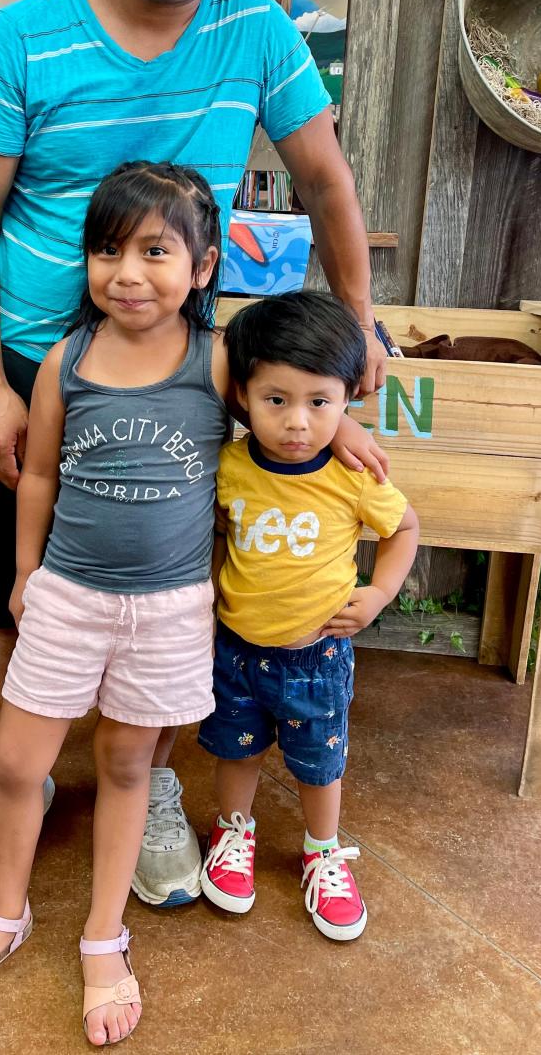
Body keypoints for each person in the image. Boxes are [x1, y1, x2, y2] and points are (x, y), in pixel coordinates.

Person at [0, 0, 389, 913]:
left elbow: (331, 188)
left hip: (189, 386)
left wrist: (354, 341)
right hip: (37, 378)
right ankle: (8, 783)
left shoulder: (259, 36)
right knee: (12, 587)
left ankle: (152, 784)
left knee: (176, 590)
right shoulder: (21, 41)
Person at [0, 163, 229, 1043]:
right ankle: (5, 915)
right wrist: (26, 570)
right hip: (66, 597)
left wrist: (349, 423)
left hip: (170, 610)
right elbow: (41, 475)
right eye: (107, 250)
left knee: (128, 767)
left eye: (154, 250)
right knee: (21, 762)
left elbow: (295, 402)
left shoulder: (219, 363)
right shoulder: (69, 358)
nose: (127, 272)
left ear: (202, 266)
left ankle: (105, 938)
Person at [197, 293, 419, 940]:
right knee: (235, 750)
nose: (297, 422)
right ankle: (233, 831)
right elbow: (217, 534)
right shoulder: (230, 467)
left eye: (319, 403)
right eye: (276, 400)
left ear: (347, 395)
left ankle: (322, 849)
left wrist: (378, 594)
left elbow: (404, 526)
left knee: (319, 764)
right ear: (242, 394)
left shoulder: (354, 472)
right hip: (236, 648)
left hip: (315, 655)